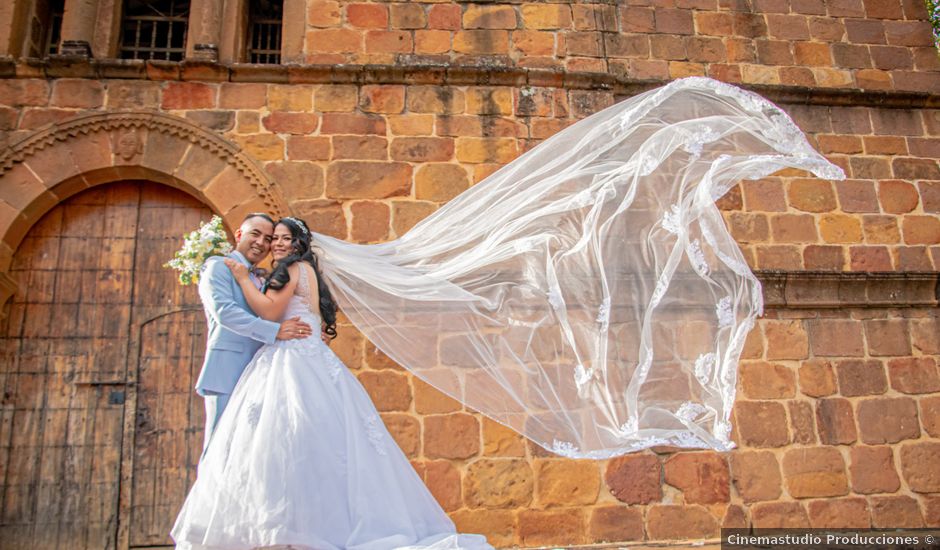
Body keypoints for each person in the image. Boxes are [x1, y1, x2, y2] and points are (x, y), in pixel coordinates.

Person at [171, 216, 492, 550]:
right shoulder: (224, 268)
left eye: (277, 238)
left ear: (297, 243)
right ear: (239, 235)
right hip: (240, 368)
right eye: (265, 237)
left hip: (281, 363)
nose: (270, 244)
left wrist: (260, 299)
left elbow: (269, 312)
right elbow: (227, 313)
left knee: (280, 448)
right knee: (236, 452)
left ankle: (285, 530)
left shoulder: (283, 272)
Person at [195, 213, 313, 454]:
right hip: (228, 368)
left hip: (260, 371)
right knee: (220, 447)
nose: (261, 242)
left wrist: (312, 330)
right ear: (239, 235)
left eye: (267, 238)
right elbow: (225, 312)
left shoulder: (260, 277)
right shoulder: (218, 266)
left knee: (248, 452)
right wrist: (276, 330)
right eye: (255, 234)